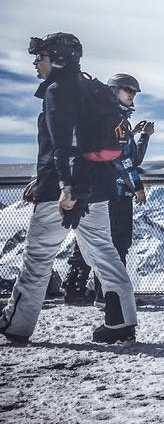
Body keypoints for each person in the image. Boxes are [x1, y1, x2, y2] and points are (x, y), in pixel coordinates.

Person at [1, 33, 138, 345]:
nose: (36, 63)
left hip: (60, 191)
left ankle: (17, 325)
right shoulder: (94, 90)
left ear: (58, 59)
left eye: (42, 57)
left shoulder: (58, 91)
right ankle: (121, 320)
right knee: (104, 252)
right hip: (98, 188)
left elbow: (64, 143)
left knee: (37, 258)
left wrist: (66, 186)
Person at [62, 73, 154, 307]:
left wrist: (141, 136)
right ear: (114, 91)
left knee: (98, 241)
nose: (132, 95)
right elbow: (124, 160)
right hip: (115, 191)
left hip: (97, 189)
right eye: (128, 90)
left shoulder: (108, 118)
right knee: (118, 243)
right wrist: (138, 186)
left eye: (134, 92)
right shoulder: (115, 119)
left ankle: (80, 289)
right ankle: (110, 296)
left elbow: (129, 155)